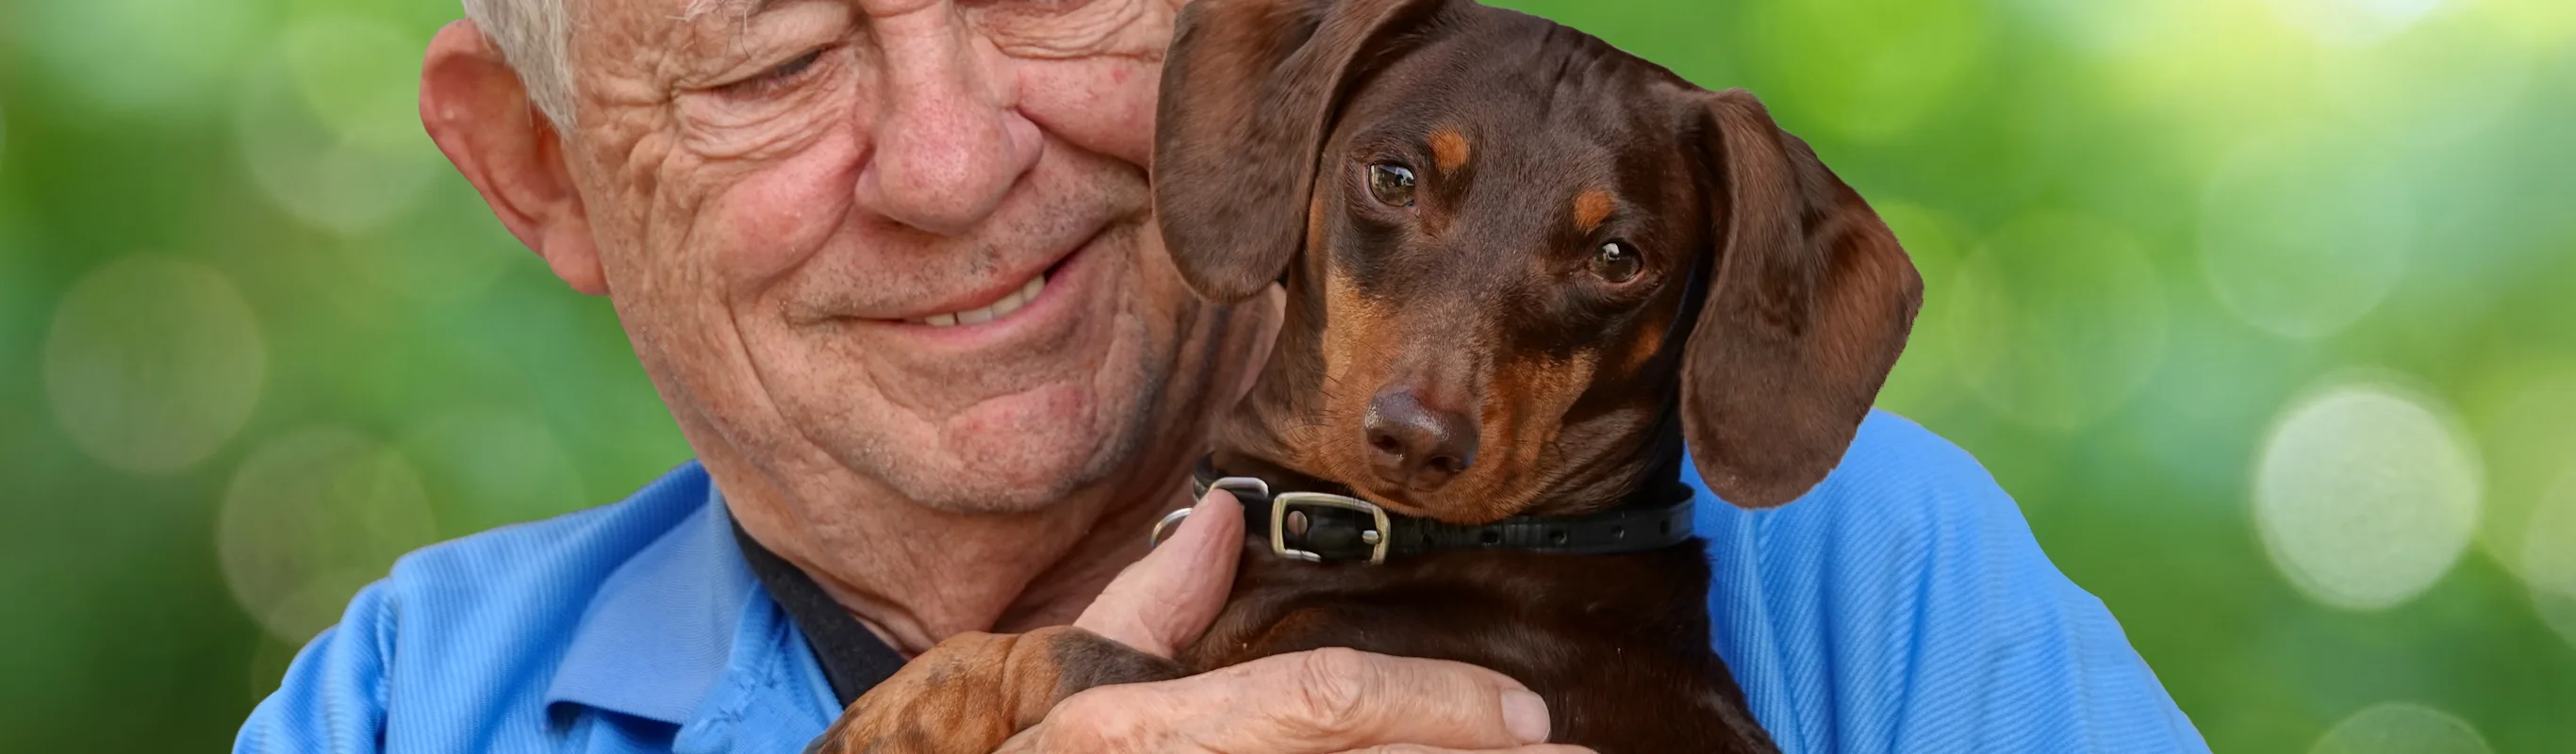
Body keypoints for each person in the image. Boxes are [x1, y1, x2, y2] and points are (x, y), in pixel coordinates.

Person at [237, 0, 2210, 752]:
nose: (951, 162)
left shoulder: (1867, 589)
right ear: (538, 166)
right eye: (768, 62)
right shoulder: (404, 708)